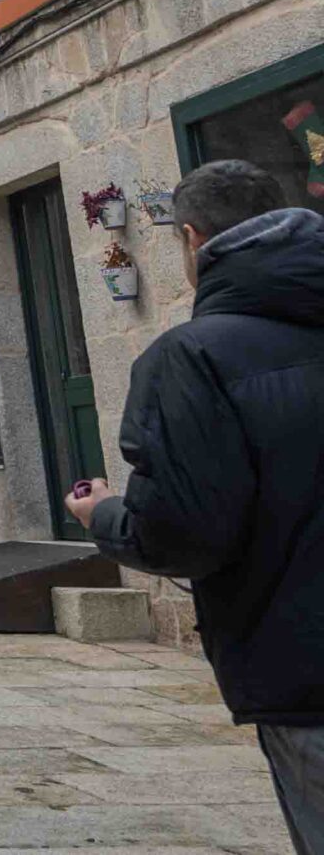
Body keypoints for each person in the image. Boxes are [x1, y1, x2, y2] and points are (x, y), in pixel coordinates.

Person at [65, 160, 324, 852]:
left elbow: (182, 532)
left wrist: (106, 516)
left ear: (190, 239)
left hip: (308, 674)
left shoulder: (193, 358)